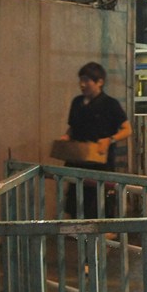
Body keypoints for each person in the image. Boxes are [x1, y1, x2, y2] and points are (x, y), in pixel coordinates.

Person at [60, 62, 132, 218]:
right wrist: (67, 137)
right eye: (81, 80)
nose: (82, 84)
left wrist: (110, 139)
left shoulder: (110, 104)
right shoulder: (77, 102)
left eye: (87, 80)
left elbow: (127, 129)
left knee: (99, 199)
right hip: (77, 159)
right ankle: (79, 233)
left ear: (100, 82)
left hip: (100, 161)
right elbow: (73, 127)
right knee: (76, 198)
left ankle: (103, 234)